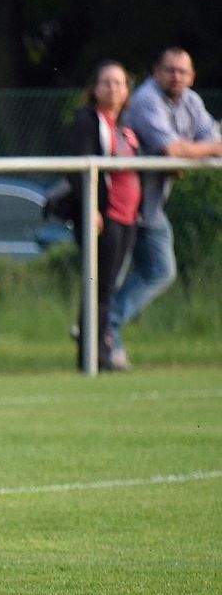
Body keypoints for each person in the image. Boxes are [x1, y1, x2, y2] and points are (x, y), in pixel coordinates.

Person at [109, 47, 222, 368]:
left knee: (160, 270)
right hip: (121, 204)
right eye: (170, 70)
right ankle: (104, 335)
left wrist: (196, 151)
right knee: (112, 276)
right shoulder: (146, 99)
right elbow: (174, 149)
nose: (176, 77)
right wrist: (199, 151)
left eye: (183, 71)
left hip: (150, 205)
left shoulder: (190, 101)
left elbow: (205, 141)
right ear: (155, 71)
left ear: (192, 75)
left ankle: (104, 326)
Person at [64, 61, 141, 372]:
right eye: (106, 82)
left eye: (119, 83)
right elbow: (79, 170)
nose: (113, 89)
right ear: (94, 89)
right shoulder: (88, 121)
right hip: (103, 216)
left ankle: (99, 349)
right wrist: (91, 208)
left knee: (107, 285)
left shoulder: (124, 126)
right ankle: (92, 356)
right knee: (99, 285)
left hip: (127, 216)